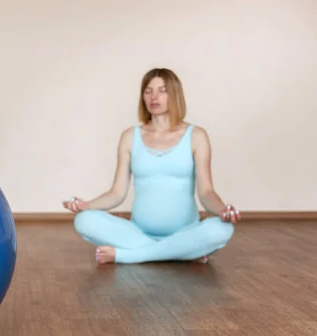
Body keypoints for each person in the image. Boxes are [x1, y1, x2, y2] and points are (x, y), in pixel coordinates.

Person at [63, 68, 239, 265]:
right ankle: (181, 252)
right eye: (148, 91)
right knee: (84, 220)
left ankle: (130, 255)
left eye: (162, 90)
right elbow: (117, 193)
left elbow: (206, 192)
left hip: (185, 232)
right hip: (138, 232)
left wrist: (223, 210)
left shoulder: (196, 136)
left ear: (175, 95)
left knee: (223, 228)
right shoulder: (130, 136)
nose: (154, 97)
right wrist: (87, 205)